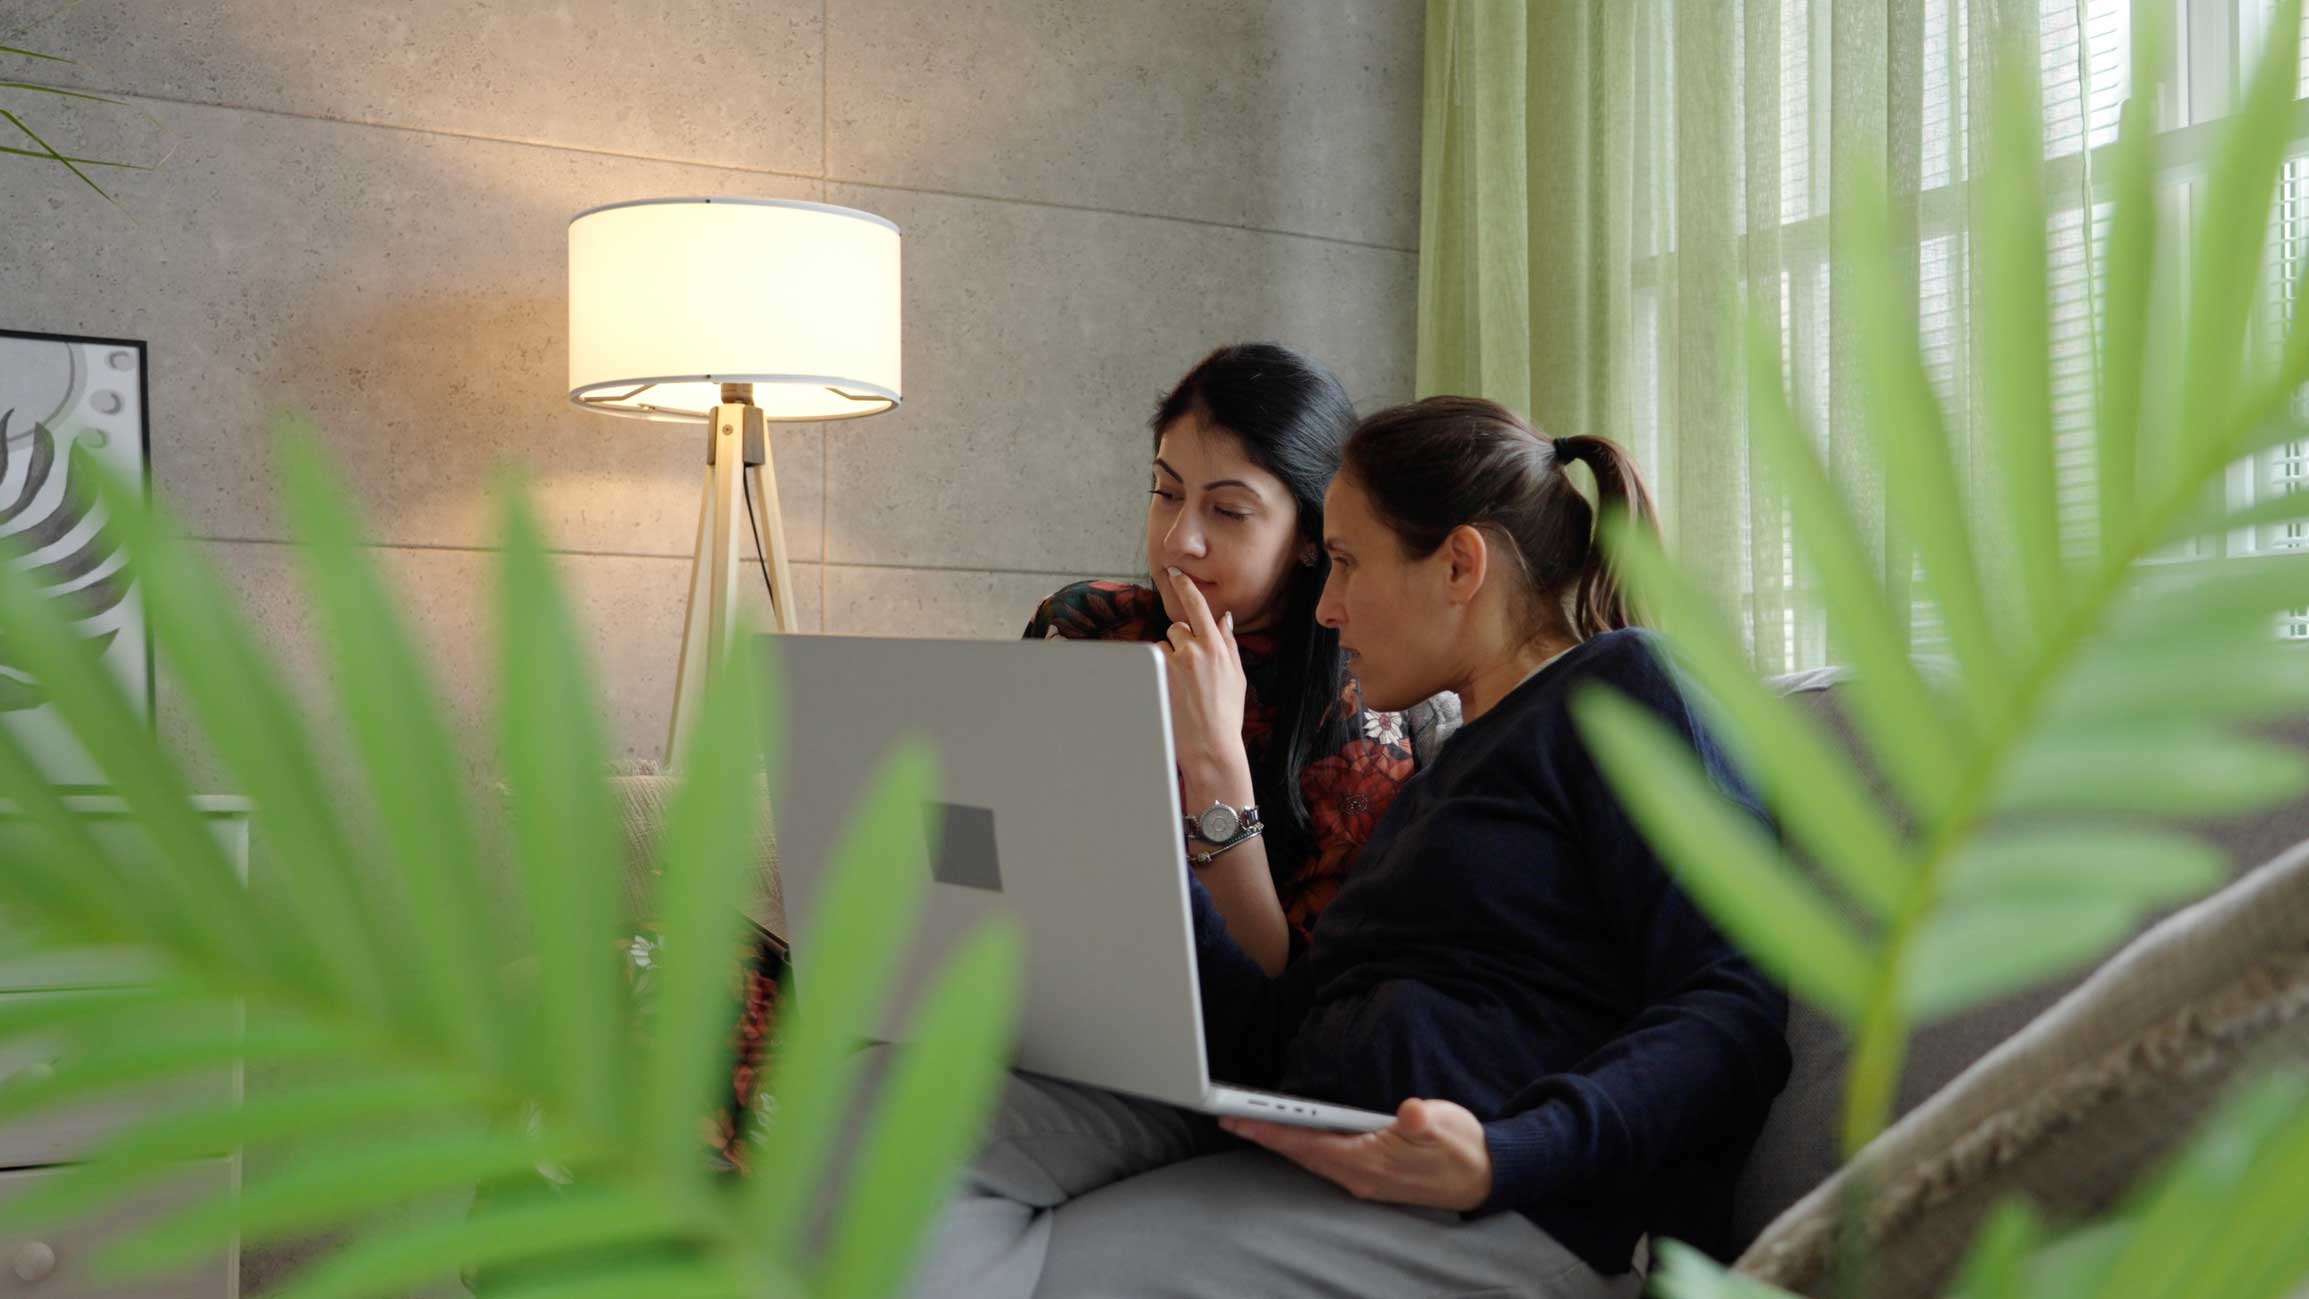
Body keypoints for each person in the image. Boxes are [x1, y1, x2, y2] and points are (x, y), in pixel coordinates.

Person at [906, 396, 1793, 1299]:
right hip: (1323, 1137)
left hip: (1517, 1207)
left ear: (1458, 563)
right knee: (887, 1123)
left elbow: (1733, 1001)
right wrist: (1121, 850)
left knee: (1048, 1272)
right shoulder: (1437, 781)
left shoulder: (1628, 688)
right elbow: (1281, 1029)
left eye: (1344, 561)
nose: (1325, 607)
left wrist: (1505, 1153)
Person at [1025, 343, 1449, 975]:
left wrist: (1214, 753)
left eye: (1227, 511)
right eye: (1166, 492)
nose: (1178, 540)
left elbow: (1270, 988)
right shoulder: (1085, 626)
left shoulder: (1365, 706)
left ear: (1311, 535)